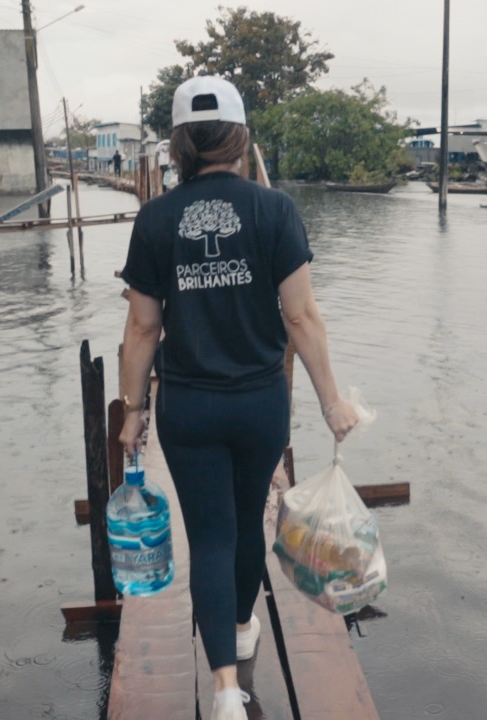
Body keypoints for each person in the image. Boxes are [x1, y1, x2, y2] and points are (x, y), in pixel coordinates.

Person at [117, 76, 359, 720]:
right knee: (249, 520)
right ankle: (245, 625)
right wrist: (332, 402)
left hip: (189, 407)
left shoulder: (155, 218)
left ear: (178, 145)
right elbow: (301, 316)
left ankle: (225, 688)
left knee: (211, 537)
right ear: (240, 136)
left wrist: (133, 411)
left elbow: (141, 328)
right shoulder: (274, 210)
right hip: (259, 403)